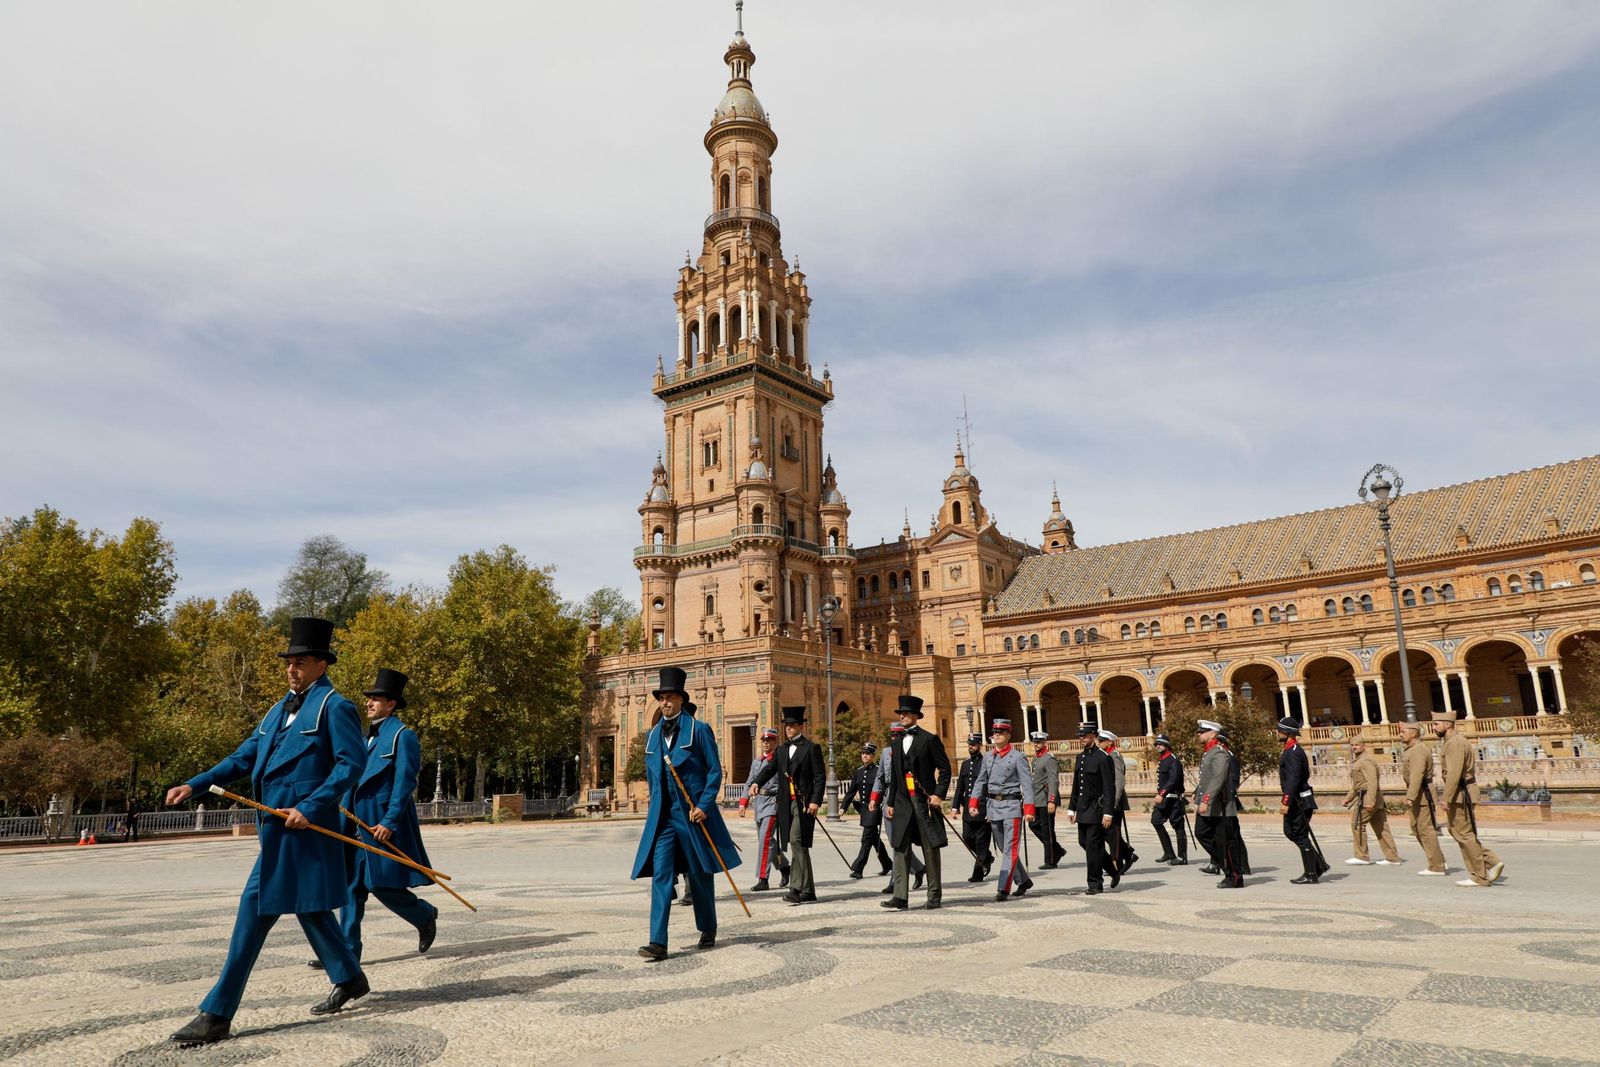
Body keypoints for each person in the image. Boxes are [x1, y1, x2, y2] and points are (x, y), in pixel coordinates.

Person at [164, 617, 370, 1046]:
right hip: (273, 829)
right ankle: (349, 975)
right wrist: (195, 782)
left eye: (301, 662)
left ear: (321, 665)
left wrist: (310, 807)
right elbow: (243, 757)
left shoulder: (336, 707)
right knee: (309, 907)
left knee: (253, 910)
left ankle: (217, 1012)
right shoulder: (277, 710)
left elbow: (351, 765)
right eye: (289, 662)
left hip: (303, 828)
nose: (292, 669)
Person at [307, 669, 438, 970]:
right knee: (351, 887)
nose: (368, 703)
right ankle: (346, 953)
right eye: (368, 699)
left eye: (375, 699)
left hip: (379, 824)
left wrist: (390, 822)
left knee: (378, 884)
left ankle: (423, 915)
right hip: (352, 822)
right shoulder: (363, 737)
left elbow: (405, 783)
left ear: (391, 704)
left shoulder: (403, 737)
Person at [631, 666, 741, 959]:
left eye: (670, 697)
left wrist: (705, 806)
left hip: (692, 815)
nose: (665, 702)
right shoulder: (653, 735)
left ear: (681, 699)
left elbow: (714, 772)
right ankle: (658, 942)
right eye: (662, 697)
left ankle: (707, 927)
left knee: (700, 872)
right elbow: (653, 777)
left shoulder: (700, 730)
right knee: (661, 874)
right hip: (663, 819)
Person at [877, 695, 951, 910]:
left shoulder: (929, 739)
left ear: (916, 716)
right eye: (900, 713)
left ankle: (934, 894)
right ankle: (900, 896)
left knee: (930, 847)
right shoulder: (896, 742)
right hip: (901, 801)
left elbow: (945, 770)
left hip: (923, 800)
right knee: (900, 846)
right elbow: (896, 776)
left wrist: (938, 794)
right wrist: (890, 802)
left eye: (906, 713)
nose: (902, 716)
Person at [747, 706, 826, 905]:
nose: (788, 729)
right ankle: (808, 891)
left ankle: (796, 888)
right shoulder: (781, 750)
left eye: (792, 725)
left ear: (800, 726)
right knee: (798, 845)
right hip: (785, 803)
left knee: (796, 840)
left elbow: (819, 777)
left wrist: (816, 800)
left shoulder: (811, 748)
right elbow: (769, 770)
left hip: (803, 803)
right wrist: (757, 781)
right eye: (786, 726)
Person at [1433, 710, 1505, 888]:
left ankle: (1480, 875)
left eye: (1436, 724)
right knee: (1459, 832)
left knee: (1464, 834)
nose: (1433, 727)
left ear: (1448, 724)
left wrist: (1446, 797)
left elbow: (1454, 773)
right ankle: (1489, 863)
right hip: (1461, 792)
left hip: (1460, 793)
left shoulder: (1455, 743)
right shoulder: (1455, 741)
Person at [969, 718, 1035, 900]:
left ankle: (1003, 888)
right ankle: (1023, 880)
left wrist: (1029, 809)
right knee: (1002, 846)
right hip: (993, 806)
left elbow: (1027, 784)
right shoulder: (989, 757)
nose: (996, 735)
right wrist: (973, 802)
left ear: (1008, 735)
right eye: (995, 732)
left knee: (1010, 849)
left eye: (1001, 732)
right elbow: (981, 780)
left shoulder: (1018, 757)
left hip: (1012, 806)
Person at [870, 723, 925, 895]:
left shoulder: (911, 750)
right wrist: (874, 798)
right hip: (889, 799)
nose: (894, 738)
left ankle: (895, 882)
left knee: (901, 842)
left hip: (906, 799)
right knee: (895, 842)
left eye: (898, 734)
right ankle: (919, 868)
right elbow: (880, 778)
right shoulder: (886, 752)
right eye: (892, 734)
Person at [1066, 721, 1116, 895]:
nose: (1081, 738)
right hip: (1082, 808)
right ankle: (1112, 868)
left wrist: (1108, 812)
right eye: (1079, 736)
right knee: (1084, 842)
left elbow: (1109, 787)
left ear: (1093, 735)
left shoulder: (1103, 757)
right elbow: (1075, 785)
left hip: (1096, 808)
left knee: (1093, 847)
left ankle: (1095, 883)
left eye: (1085, 735)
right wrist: (1071, 807)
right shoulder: (1080, 757)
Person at [738, 728, 791, 891]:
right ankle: (785, 867)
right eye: (764, 740)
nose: (766, 743)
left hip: (772, 803)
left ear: (775, 742)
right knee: (768, 842)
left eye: (769, 740)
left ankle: (763, 878)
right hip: (759, 804)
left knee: (765, 840)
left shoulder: (779, 760)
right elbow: (749, 782)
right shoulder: (757, 762)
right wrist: (743, 801)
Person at [1277, 717, 1328, 885]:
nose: (1277, 732)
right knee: (1292, 832)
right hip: (1296, 797)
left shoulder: (1293, 752)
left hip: (1298, 799)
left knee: (1298, 833)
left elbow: (1293, 779)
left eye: (1280, 730)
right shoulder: (1289, 749)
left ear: (1288, 733)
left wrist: (1286, 801)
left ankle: (1312, 873)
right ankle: (1318, 865)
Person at [1194, 719, 1244, 889]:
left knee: (1226, 843)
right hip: (1209, 806)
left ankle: (1235, 876)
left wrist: (1206, 800)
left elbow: (1218, 778)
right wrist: (1198, 800)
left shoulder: (1219, 753)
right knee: (1201, 833)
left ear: (1213, 734)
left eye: (1202, 731)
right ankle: (1226, 867)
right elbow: (1204, 780)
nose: (1199, 734)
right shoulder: (1208, 752)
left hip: (1220, 806)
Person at [1342, 731, 1402, 866]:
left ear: (1364, 746)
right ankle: (1392, 857)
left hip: (1368, 798)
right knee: (1381, 828)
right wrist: (1348, 798)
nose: (1354, 747)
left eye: (1357, 745)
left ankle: (1361, 855)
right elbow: (1358, 784)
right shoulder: (1359, 761)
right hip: (1372, 798)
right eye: (1352, 745)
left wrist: (1369, 802)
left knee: (1357, 823)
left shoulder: (1366, 761)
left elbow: (1372, 782)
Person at [1399, 721, 1449, 875]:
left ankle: (1437, 866)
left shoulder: (1418, 750)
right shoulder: (1412, 750)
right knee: (1416, 828)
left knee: (1425, 830)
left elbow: (1417, 774)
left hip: (1422, 794)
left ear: (1413, 733)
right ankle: (1439, 860)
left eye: (1403, 732)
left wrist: (1411, 796)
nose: (1400, 734)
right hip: (1418, 794)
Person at [839, 741, 892, 879]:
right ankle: (887, 864)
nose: (865, 756)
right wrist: (843, 807)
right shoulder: (858, 772)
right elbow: (851, 792)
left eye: (868, 754)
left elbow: (883, 790)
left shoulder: (877, 772)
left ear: (873, 756)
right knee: (874, 839)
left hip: (874, 809)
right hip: (863, 810)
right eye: (863, 753)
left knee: (866, 839)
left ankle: (858, 869)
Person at [952, 732, 994, 882]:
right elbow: (960, 788)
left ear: (980, 746)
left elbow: (990, 787)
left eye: (974, 744)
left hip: (983, 808)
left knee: (981, 842)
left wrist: (991, 808)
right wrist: (955, 806)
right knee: (967, 837)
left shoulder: (987, 763)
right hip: (968, 809)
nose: (971, 747)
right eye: (969, 744)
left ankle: (978, 873)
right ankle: (987, 857)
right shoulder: (965, 764)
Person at [1098, 729, 1137, 882]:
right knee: (1108, 833)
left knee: (1112, 834)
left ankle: (1117, 863)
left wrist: (1113, 802)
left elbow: (1119, 781)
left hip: (1115, 801)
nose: (1099, 743)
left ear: (1110, 742)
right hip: (1106, 800)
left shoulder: (1115, 757)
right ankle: (1128, 854)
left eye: (1101, 741)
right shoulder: (1105, 756)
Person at [1028, 732, 1066, 868]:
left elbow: (1053, 780)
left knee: (1047, 830)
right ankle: (1057, 850)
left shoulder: (1049, 758)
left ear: (1045, 743)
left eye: (1038, 742)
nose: (1036, 744)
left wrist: (1052, 800)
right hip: (1037, 799)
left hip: (1045, 799)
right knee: (1033, 825)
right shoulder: (1036, 758)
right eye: (1034, 742)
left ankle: (1050, 860)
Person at [1150, 735, 1188, 865]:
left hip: (1173, 799)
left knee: (1178, 826)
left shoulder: (1173, 760)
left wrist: (1162, 793)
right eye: (1156, 744)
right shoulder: (1163, 760)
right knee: (1156, 821)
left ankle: (1182, 857)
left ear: (1167, 745)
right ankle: (1169, 853)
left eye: (1160, 744)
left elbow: (1174, 779)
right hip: (1164, 800)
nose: (1157, 746)